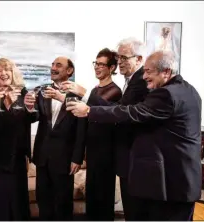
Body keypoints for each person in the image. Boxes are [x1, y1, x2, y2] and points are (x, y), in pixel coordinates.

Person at [66, 50, 202, 221]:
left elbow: (132, 112)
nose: (144, 76)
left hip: (172, 182)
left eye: (148, 71)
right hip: (183, 180)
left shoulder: (166, 94)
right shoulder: (189, 90)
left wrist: (89, 110)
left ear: (166, 72)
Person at [61, 38, 149, 220]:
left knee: (108, 203)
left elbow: (116, 113)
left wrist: (83, 95)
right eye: (120, 57)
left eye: (125, 58)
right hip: (97, 152)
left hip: (112, 153)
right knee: (95, 201)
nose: (121, 61)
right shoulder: (119, 84)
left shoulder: (122, 87)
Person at [24, 56, 87, 220]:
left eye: (58, 65)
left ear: (69, 71)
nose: (53, 67)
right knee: (43, 201)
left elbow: (81, 129)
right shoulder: (42, 91)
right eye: (52, 64)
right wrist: (29, 108)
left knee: (63, 204)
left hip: (65, 158)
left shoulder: (78, 94)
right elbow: (34, 117)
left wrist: (77, 157)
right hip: (42, 156)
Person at [0, 58, 33, 220]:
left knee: (17, 199)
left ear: (12, 72)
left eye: (7, 70)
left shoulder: (22, 92)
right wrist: (5, 102)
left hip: (16, 155)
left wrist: (25, 106)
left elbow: (33, 116)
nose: (3, 73)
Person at [85, 48, 122, 221]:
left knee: (103, 198)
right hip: (92, 151)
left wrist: (79, 94)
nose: (97, 67)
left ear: (112, 67)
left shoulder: (115, 90)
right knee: (91, 197)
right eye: (96, 63)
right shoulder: (93, 90)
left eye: (101, 64)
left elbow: (100, 106)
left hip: (106, 152)